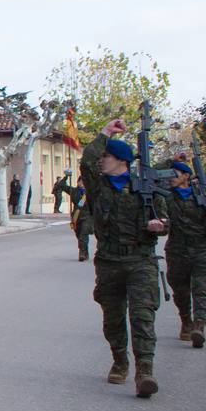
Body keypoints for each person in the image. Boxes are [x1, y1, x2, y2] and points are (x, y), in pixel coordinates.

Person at [81, 120, 168, 396]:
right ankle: (119, 361)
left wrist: (160, 225)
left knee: (142, 316)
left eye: (107, 156)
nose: (102, 160)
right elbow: (88, 160)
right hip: (108, 261)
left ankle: (145, 371)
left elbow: (166, 220)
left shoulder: (147, 188)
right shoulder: (99, 187)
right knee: (113, 317)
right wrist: (105, 132)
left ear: (122, 161)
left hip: (141, 260)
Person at [160, 153, 206, 348]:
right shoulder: (165, 197)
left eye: (175, 173)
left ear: (186, 176)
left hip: (201, 249)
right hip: (176, 250)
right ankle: (186, 322)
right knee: (180, 291)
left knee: (201, 289)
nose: (171, 177)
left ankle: (199, 325)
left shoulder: (203, 195)